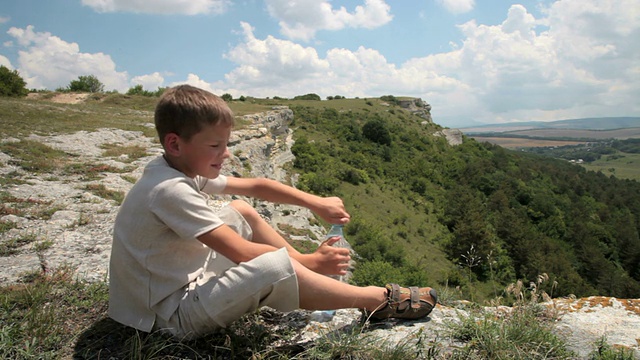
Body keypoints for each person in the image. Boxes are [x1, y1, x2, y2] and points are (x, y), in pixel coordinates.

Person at [108, 84, 437, 339]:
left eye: (226, 144)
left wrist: (315, 202)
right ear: (175, 144)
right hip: (166, 317)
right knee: (270, 266)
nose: (225, 154)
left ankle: (313, 273)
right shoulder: (170, 190)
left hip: (175, 285)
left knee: (240, 210)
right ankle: (375, 299)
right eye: (215, 146)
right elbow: (242, 252)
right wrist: (307, 262)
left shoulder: (176, 168)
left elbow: (255, 186)